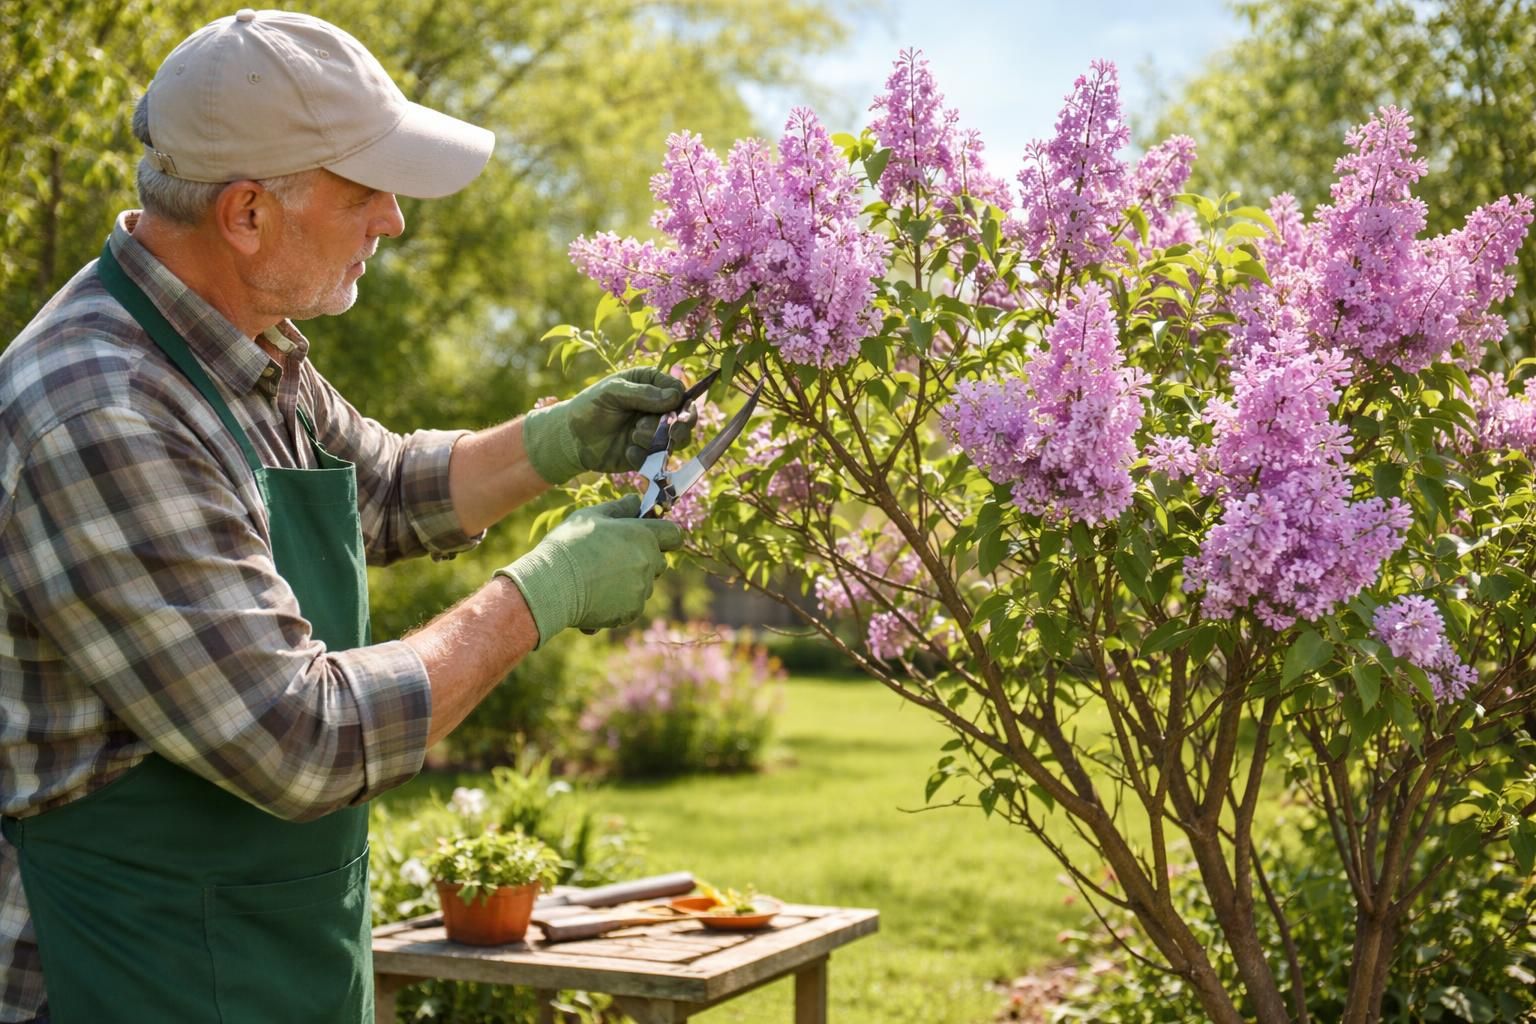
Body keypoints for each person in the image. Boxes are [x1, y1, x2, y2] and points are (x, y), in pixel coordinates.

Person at [0, 10, 689, 1023]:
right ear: (245, 214)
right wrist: (538, 597)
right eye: (366, 190)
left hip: (267, 954)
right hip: (133, 972)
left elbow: (385, 485)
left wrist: (557, 441)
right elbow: (300, 734)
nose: (394, 221)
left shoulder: (244, 344)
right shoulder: (101, 411)